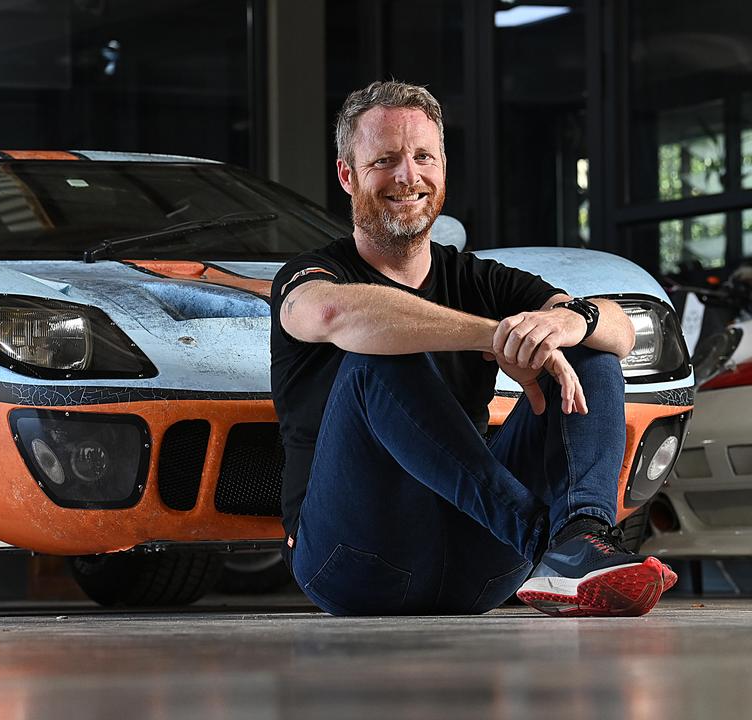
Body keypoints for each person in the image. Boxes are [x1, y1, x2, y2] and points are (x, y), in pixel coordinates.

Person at [271, 80, 674, 617]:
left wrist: (568, 322)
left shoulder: (476, 277)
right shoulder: (312, 276)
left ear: (442, 169)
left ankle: (582, 535)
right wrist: (494, 335)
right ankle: (549, 546)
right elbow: (329, 313)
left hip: (477, 565)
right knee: (374, 359)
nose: (407, 176)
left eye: (422, 157)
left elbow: (621, 331)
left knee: (587, 346)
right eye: (384, 160)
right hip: (354, 562)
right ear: (347, 174)